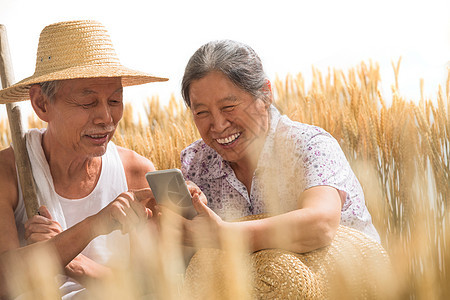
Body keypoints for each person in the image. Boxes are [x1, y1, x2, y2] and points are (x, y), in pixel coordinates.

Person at [0, 20, 167, 299]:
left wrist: (68, 258)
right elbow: (4, 284)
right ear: (41, 104)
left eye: (114, 101)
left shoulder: (136, 174)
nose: (106, 118)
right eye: (88, 103)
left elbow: (150, 290)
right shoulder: (7, 173)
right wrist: (94, 225)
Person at [179, 40, 380, 254]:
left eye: (228, 107)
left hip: (350, 284)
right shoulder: (196, 162)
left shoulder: (310, 145)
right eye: (201, 113)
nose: (218, 126)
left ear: (265, 94)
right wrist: (159, 219)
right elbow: (184, 254)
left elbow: (320, 225)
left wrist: (224, 234)